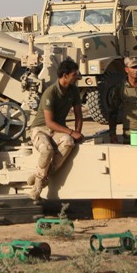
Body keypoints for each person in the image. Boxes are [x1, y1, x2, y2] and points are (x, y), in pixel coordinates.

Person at [27, 58, 84, 202]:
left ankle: (40, 174)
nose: (77, 77)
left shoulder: (74, 91)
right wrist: (71, 132)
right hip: (40, 129)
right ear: (65, 76)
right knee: (47, 150)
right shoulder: (50, 92)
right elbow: (49, 122)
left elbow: (78, 114)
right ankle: (38, 187)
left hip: (57, 130)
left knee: (69, 143)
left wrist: (77, 133)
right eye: (74, 74)